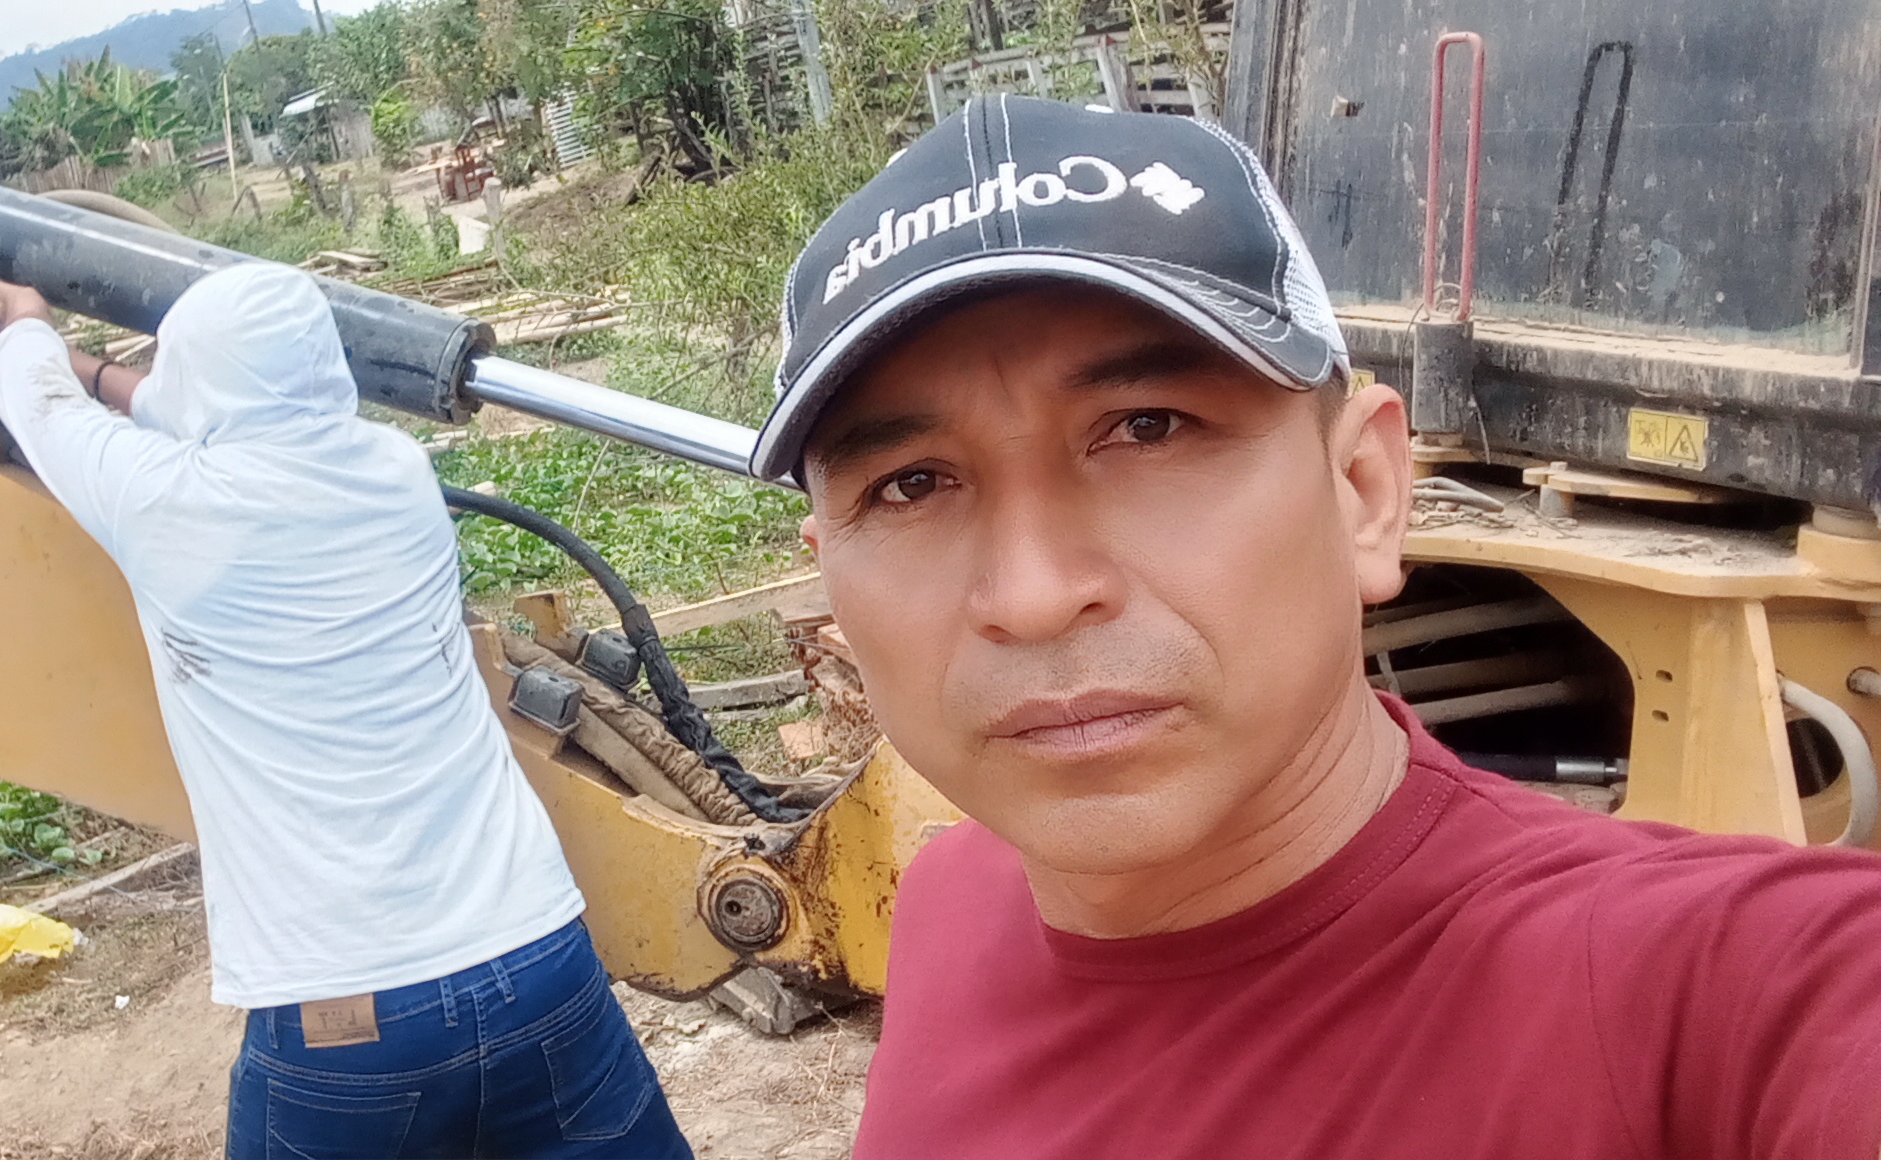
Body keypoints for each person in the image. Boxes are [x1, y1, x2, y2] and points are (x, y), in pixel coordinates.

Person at [748, 95, 1881, 1158]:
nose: (1035, 593)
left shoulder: (1723, 1000)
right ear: (828, 572)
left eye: (1147, 427)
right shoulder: (947, 903)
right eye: (909, 484)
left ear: (1364, 491)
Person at [0, 262, 691, 1159]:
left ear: (192, 383)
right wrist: (99, 371)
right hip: (537, 962)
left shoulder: (162, 503)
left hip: (344, 1023)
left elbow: (39, 406)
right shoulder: (397, 475)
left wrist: (25, 325)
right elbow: (214, 407)